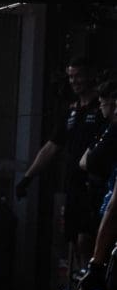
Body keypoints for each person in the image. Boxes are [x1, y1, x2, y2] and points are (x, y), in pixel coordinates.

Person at [17, 56, 106, 272]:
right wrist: (28, 177)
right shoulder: (71, 111)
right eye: (71, 77)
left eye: (79, 76)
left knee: (88, 237)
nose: (74, 81)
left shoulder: (103, 107)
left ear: (90, 76)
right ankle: (82, 285)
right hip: (73, 183)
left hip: (97, 184)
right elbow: (51, 147)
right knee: (74, 239)